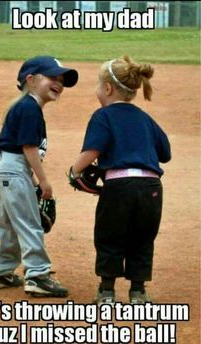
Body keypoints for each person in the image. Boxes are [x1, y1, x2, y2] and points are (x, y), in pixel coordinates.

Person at [70, 55, 171, 305]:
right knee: (143, 238)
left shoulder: (103, 116)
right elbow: (165, 154)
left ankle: (106, 293)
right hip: (151, 187)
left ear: (107, 88)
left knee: (109, 236)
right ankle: (138, 292)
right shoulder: (145, 118)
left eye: (97, 84)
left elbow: (92, 151)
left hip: (118, 187)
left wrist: (73, 171)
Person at [0, 56, 78, 297]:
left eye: (61, 80)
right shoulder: (29, 107)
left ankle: (0, 272)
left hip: (8, 169)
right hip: (14, 168)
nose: (59, 83)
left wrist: (32, 182)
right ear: (31, 79)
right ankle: (37, 274)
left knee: (8, 225)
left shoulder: (26, 107)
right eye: (52, 77)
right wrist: (43, 181)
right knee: (29, 223)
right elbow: (28, 148)